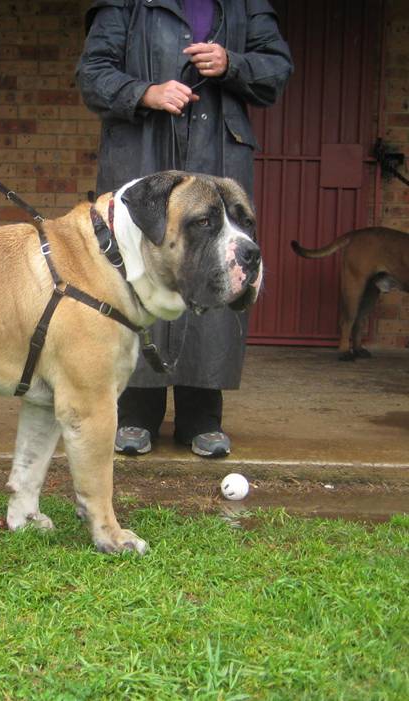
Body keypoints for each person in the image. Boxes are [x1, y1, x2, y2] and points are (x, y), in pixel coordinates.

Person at [76, 0, 292, 457]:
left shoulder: (247, 4)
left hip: (218, 154)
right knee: (134, 269)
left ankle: (201, 415)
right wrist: (145, 93)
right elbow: (92, 73)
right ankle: (136, 411)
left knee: (216, 264)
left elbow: (275, 69)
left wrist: (233, 64)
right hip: (141, 150)